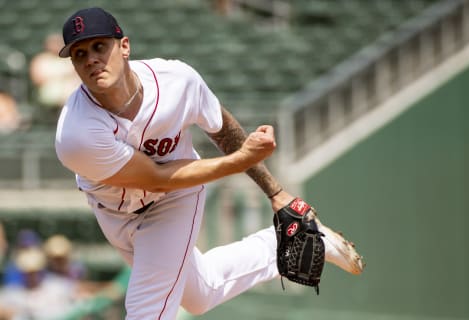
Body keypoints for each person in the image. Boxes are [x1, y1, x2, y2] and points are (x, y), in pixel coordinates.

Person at [55, 7, 364, 319]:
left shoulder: (177, 80)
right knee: (202, 294)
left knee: (146, 309)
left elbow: (222, 130)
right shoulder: (76, 133)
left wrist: (275, 193)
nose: (91, 58)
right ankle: (288, 243)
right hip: (115, 214)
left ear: (124, 47)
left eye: (99, 46)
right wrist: (239, 161)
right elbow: (155, 178)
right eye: (79, 53)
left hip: (174, 200)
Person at [29, 33, 81, 124]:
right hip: (49, 94)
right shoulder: (41, 60)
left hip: (70, 94)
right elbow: (36, 79)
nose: (56, 46)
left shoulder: (69, 58)